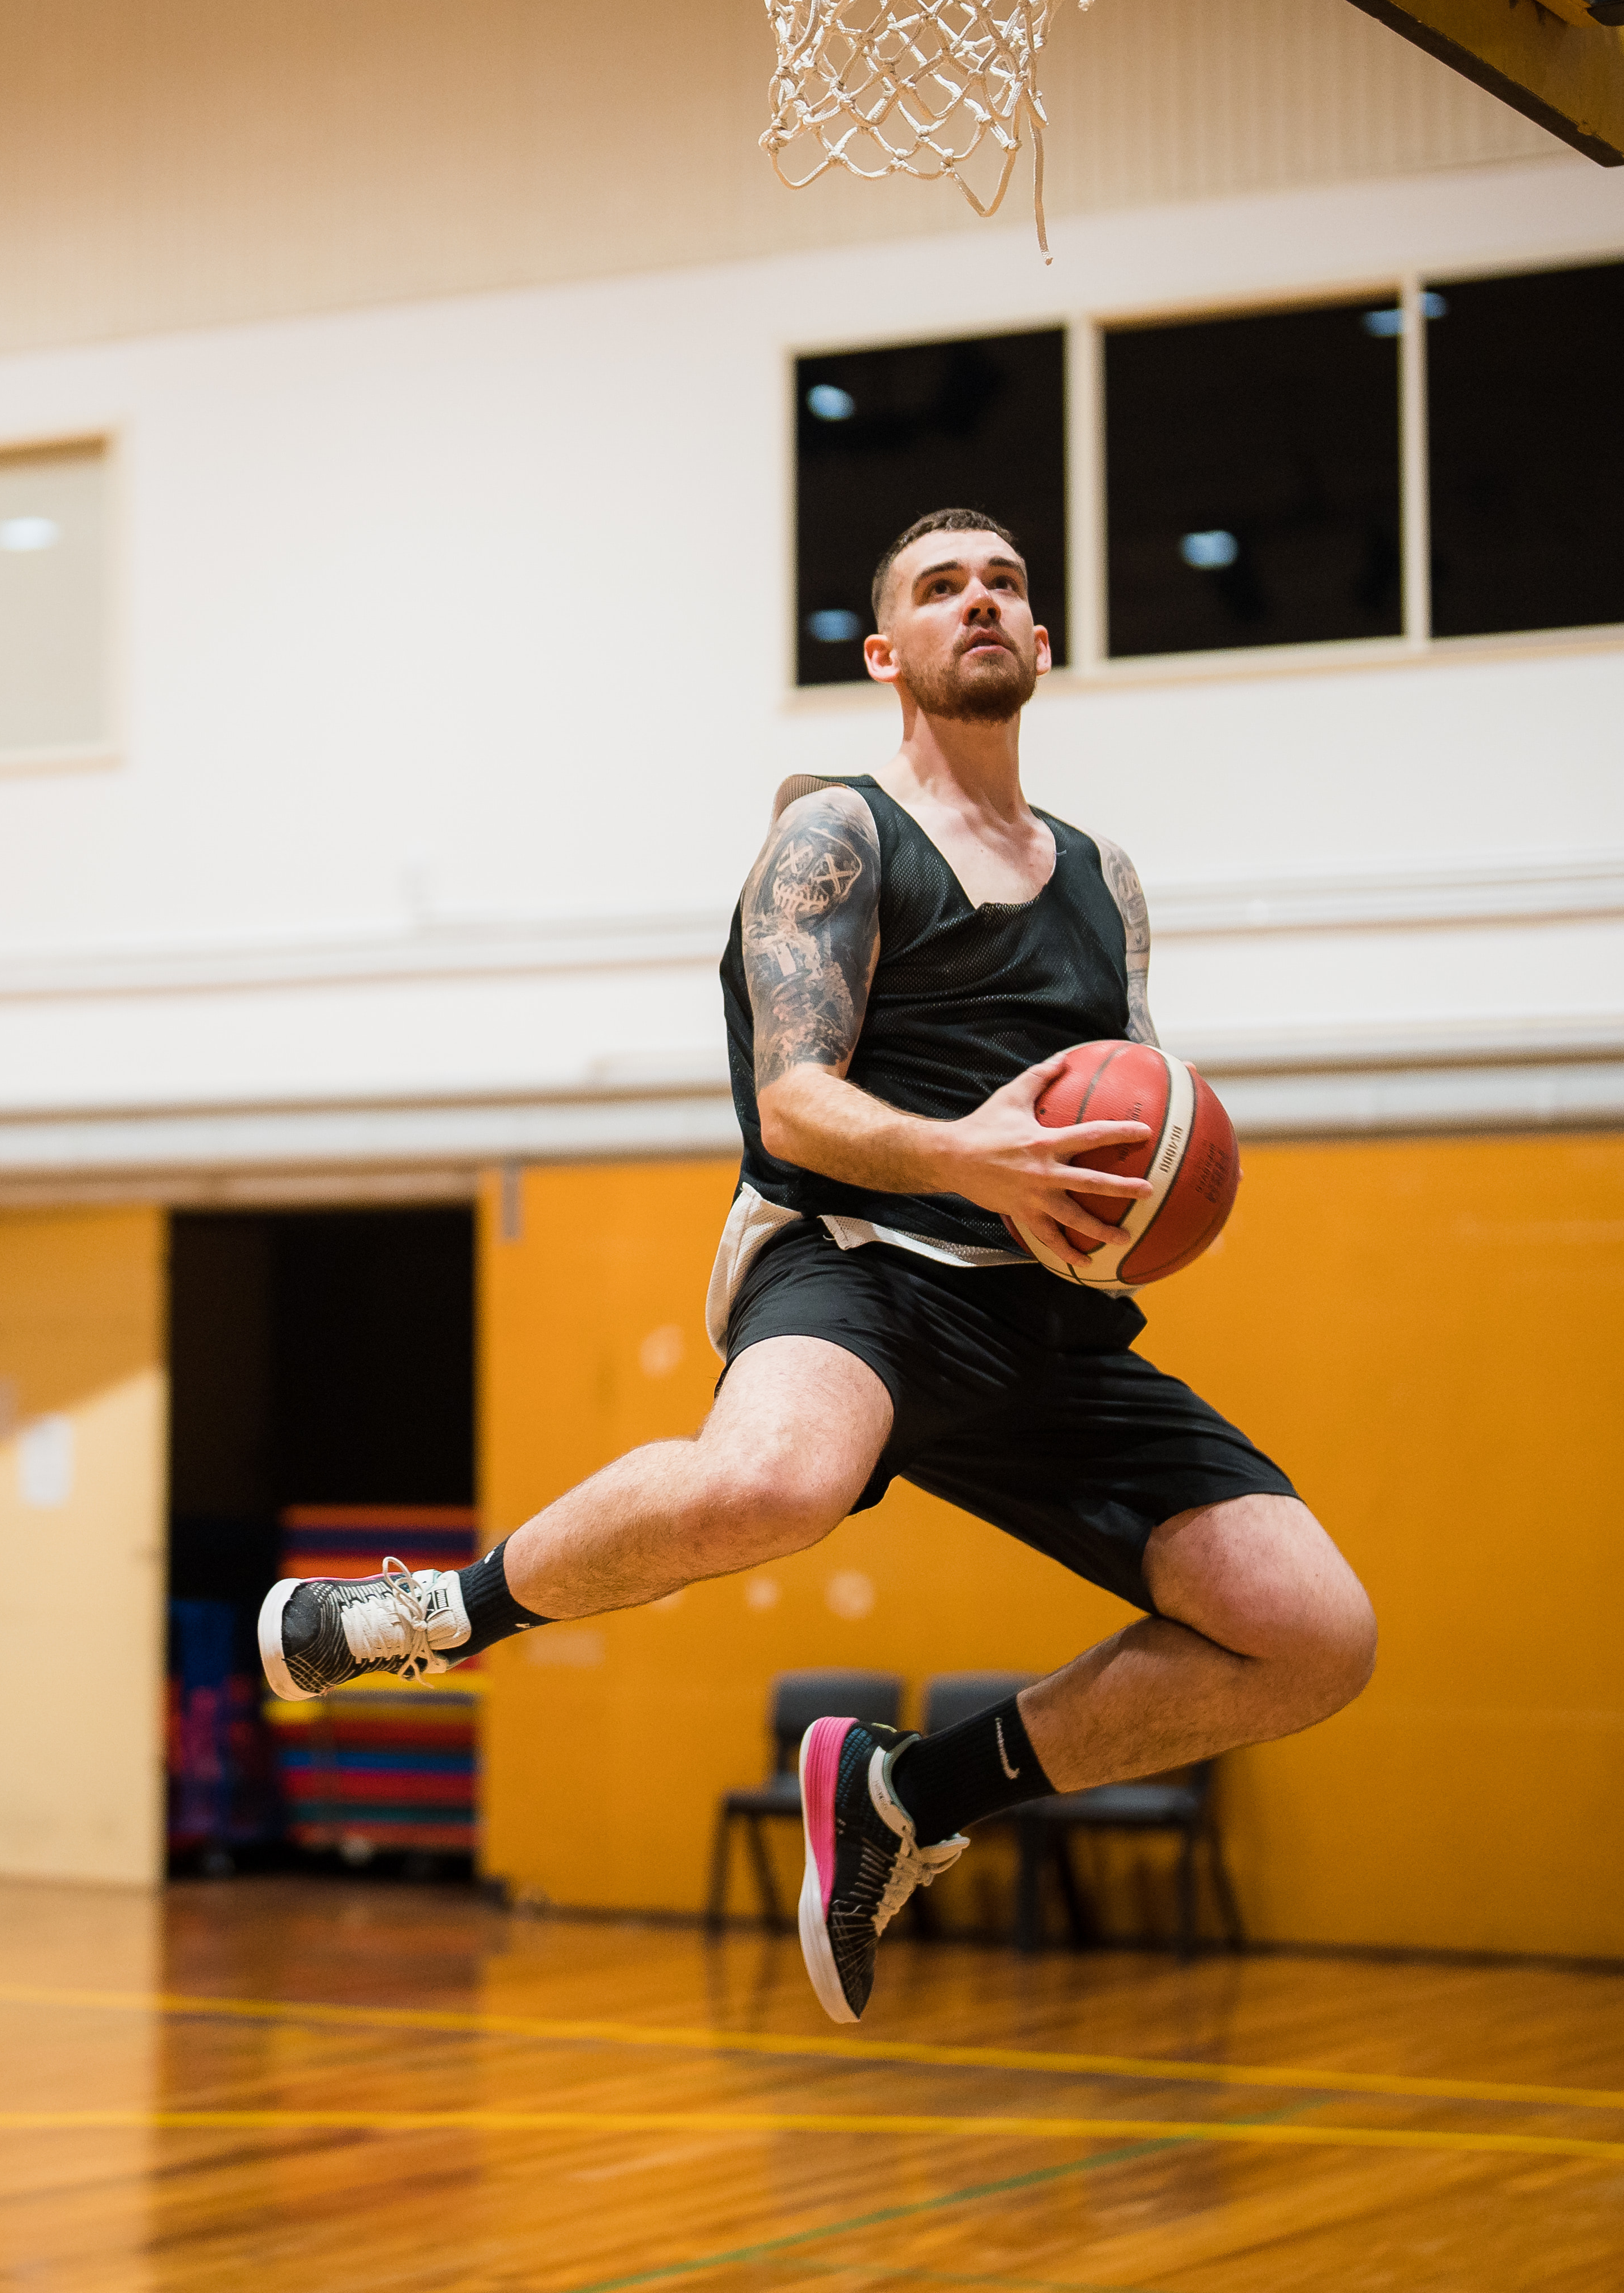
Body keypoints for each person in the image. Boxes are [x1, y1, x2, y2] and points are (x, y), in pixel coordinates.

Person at [259, 507, 1375, 2022]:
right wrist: (961, 1156)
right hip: (862, 1259)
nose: (979, 600)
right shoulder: (836, 834)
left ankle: (912, 1797)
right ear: (886, 651)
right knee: (771, 1484)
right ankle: (428, 1616)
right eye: (941, 587)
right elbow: (795, 1096)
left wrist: (1137, 1193)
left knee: (1313, 1639)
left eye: (1005, 584)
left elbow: (1133, 1096)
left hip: (1043, 1310)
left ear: (1041, 641)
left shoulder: (1105, 879)